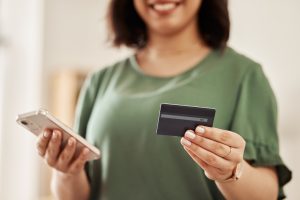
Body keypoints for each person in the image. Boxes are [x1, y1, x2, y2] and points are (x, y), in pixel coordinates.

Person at [36, 0, 292, 199]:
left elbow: (266, 194)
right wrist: (65, 171)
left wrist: (230, 173)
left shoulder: (244, 76)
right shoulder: (100, 81)